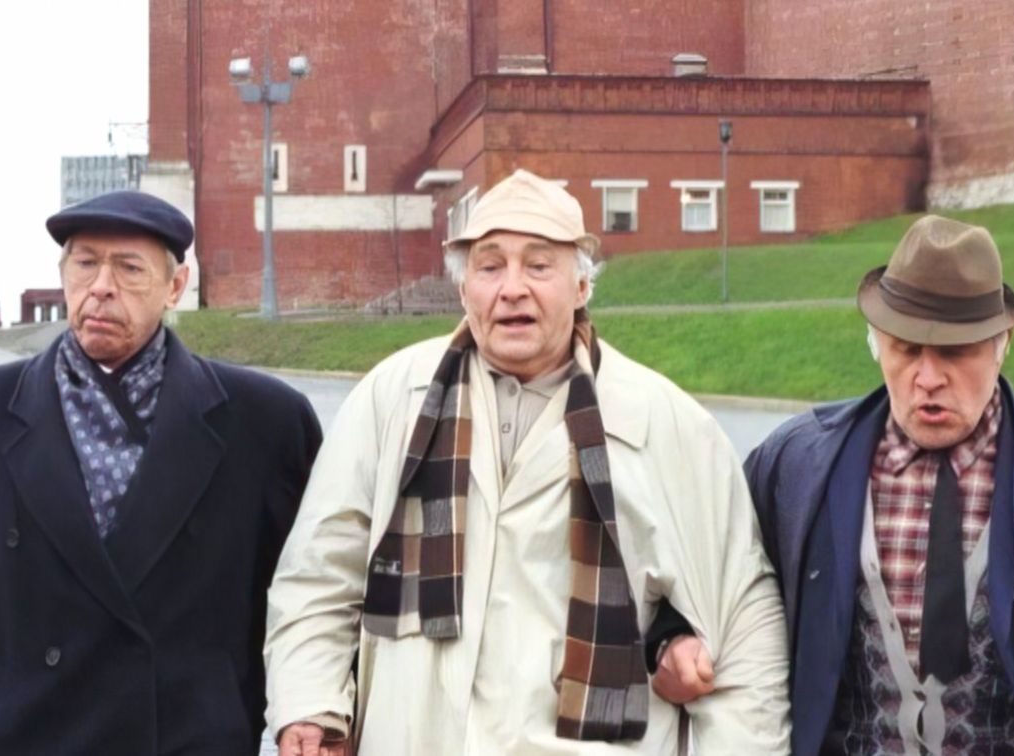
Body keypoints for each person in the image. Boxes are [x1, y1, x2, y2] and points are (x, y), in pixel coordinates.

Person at [262, 169, 790, 755]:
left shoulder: (666, 424)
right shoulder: (392, 399)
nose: (512, 288)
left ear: (582, 285)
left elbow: (743, 631)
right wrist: (312, 707)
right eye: (490, 267)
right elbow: (320, 575)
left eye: (539, 266)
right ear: (465, 289)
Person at [647, 214, 1014, 755]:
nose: (927, 378)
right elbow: (701, 575)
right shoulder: (794, 465)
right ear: (876, 340)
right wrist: (670, 640)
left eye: (954, 352)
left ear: (1004, 341)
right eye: (906, 349)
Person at [0, 190, 322, 754]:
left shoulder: (267, 424)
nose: (101, 285)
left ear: (176, 286)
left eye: (129, 268)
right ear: (63, 275)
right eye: (85, 263)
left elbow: (314, 601)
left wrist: (314, 713)